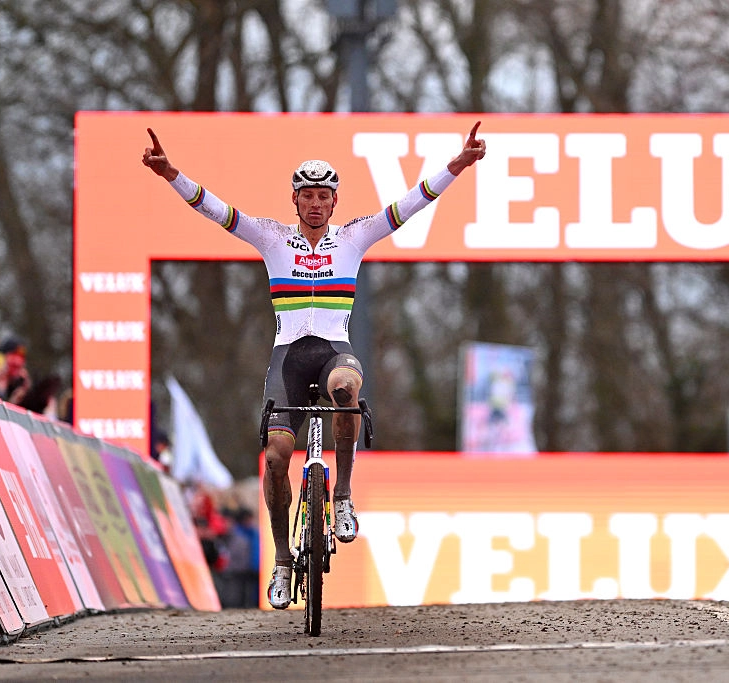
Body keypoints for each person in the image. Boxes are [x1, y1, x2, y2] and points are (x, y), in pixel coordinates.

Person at [142, 122, 487, 609]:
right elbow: (217, 210)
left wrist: (457, 165)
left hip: (332, 353)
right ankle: (283, 561)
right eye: (308, 195)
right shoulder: (271, 237)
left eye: (324, 196)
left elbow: (411, 203)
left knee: (347, 387)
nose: (316, 203)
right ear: (295, 200)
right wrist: (171, 174)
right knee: (277, 458)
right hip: (287, 359)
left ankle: (341, 495)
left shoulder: (354, 237)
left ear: (335, 201)